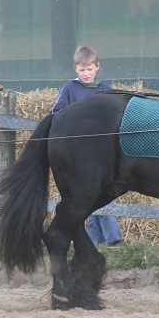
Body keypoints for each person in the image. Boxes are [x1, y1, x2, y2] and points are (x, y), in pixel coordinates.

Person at [51, 45, 124, 246]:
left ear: (97, 67)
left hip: (103, 154)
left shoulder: (106, 91)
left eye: (89, 69)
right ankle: (105, 241)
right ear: (76, 68)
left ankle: (109, 240)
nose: (86, 73)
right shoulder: (69, 89)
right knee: (87, 196)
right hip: (79, 154)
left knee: (101, 195)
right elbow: (57, 115)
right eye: (82, 70)